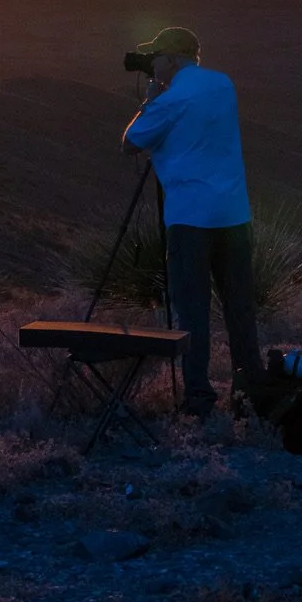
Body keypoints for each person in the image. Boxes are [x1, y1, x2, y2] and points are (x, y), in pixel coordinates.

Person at [121, 25, 259, 420]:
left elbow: (130, 143)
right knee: (240, 308)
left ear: (173, 58)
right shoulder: (222, 85)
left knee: (192, 312)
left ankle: (198, 400)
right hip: (233, 215)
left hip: (190, 220)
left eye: (157, 59)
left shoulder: (171, 99)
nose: (154, 66)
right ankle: (248, 393)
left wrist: (149, 101)